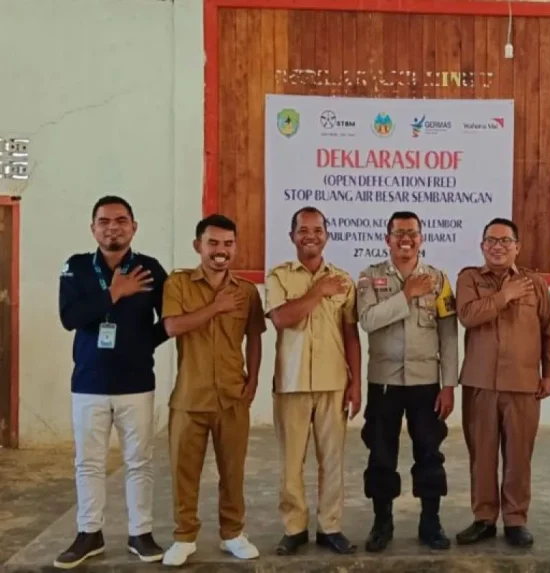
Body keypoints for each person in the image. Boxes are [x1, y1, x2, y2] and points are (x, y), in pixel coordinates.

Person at [55, 196, 168, 569]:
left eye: (121, 220)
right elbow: (70, 317)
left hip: (136, 383)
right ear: (93, 229)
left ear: (134, 227)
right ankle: (90, 532)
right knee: (88, 462)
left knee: (140, 462)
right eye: (104, 221)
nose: (112, 227)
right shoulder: (76, 268)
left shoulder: (150, 269)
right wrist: (113, 293)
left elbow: (168, 321)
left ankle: (141, 532)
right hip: (88, 383)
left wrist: (139, 346)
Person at [159, 215, 265, 566]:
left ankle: (232, 533)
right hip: (190, 397)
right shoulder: (178, 284)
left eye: (227, 244)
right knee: (184, 471)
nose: (221, 251)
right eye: (213, 243)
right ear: (198, 246)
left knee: (232, 471)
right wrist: (216, 307)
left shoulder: (247, 292)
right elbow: (173, 326)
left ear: (235, 248)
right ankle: (184, 536)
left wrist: (253, 381)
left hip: (233, 397)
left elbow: (254, 337)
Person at [454, 217, 550, 548]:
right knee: (482, 454)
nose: (497, 246)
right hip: (480, 383)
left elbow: (549, 332)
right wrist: (504, 295)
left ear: (517, 247)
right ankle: (484, 518)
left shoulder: (535, 283)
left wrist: (549, 373)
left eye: (505, 241)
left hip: (523, 383)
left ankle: (515, 519)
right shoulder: (469, 278)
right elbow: (468, 315)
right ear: (482, 246)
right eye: (491, 241)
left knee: (518, 456)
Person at [356, 211, 458, 553]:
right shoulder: (370, 277)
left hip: (426, 382)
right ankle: (381, 523)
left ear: (422, 238)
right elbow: (368, 320)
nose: (406, 239)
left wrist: (449, 384)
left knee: (430, 453)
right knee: (381, 453)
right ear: (387, 239)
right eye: (399, 233)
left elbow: (448, 334)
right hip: (384, 381)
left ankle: (431, 522)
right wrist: (407, 295)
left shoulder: (439, 279)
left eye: (412, 233)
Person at [265, 206, 362, 556]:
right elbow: (281, 318)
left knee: (332, 460)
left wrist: (356, 383)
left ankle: (330, 527)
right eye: (303, 230)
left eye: (318, 229)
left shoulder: (344, 279)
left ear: (327, 235)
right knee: (291, 461)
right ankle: (294, 528)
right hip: (290, 383)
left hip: (333, 381)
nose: (311, 235)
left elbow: (351, 333)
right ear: (292, 236)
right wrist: (318, 291)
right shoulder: (278, 277)